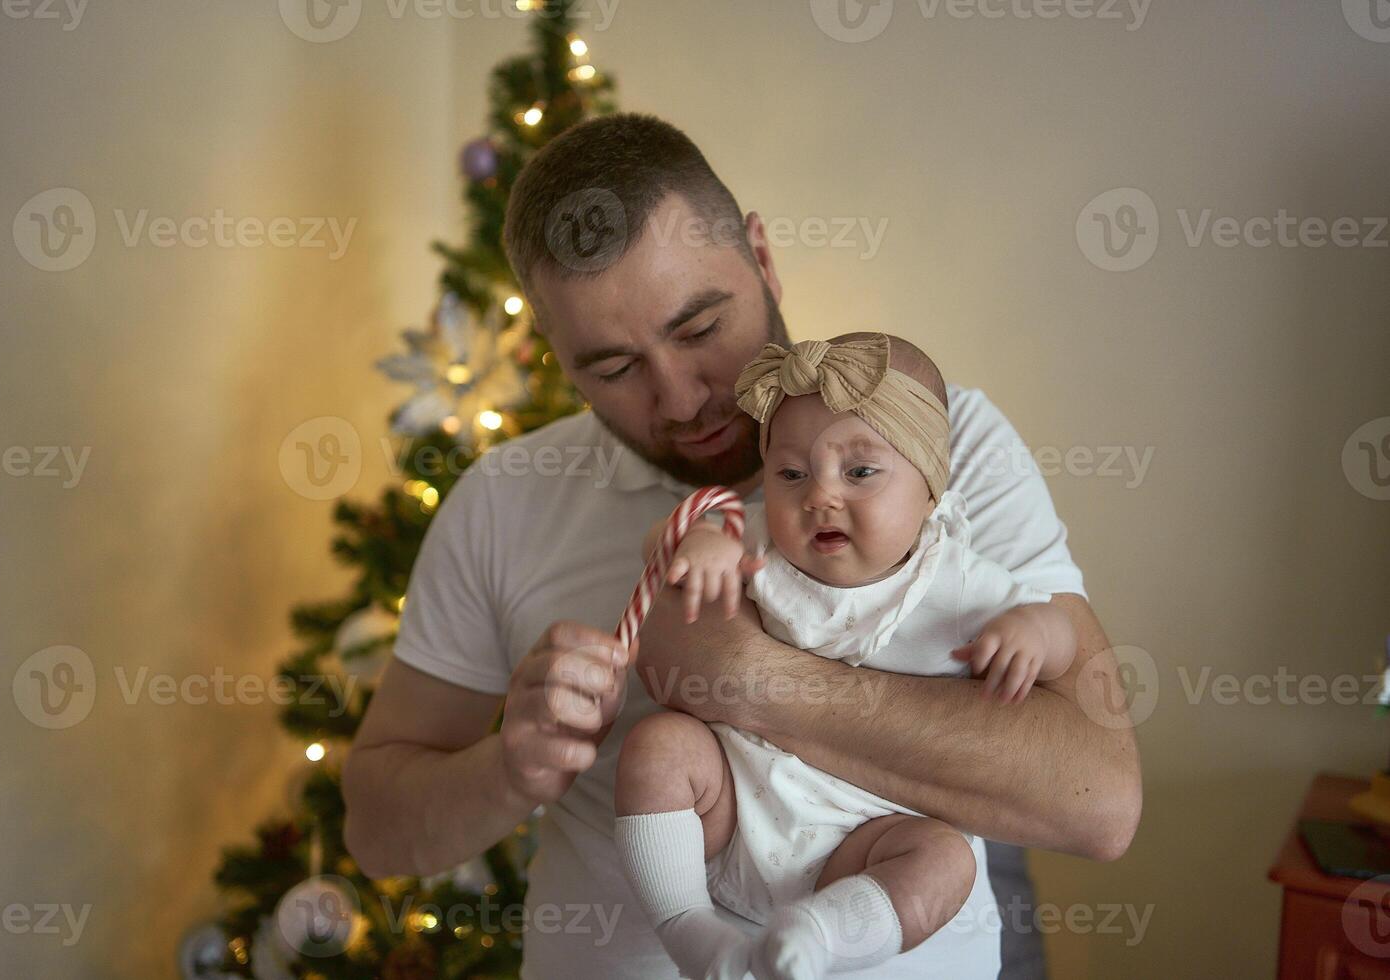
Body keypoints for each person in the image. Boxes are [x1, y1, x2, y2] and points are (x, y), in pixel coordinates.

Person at [343, 113, 1142, 980]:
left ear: (761, 255)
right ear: (557, 358)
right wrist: (510, 768)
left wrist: (745, 679)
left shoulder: (935, 442)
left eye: (698, 330)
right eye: (613, 369)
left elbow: (1099, 803)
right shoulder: (503, 502)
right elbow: (378, 831)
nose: (681, 398)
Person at [614, 333, 1077, 980]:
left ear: (930, 491)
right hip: (734, 812)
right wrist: (698, 546)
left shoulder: (960, 582)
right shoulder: (756, 543)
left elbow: (1061, 636)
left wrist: (1035, 633)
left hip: (865, 842)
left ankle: (819, 938)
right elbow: (666, 537)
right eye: (792, 473)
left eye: (860, 473)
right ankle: (689, 930)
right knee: (657, 746)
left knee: (946, 859)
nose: (820, 496)